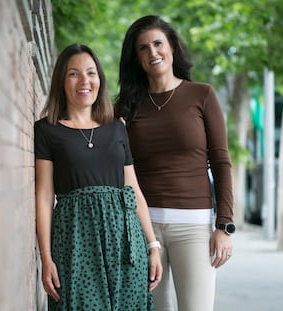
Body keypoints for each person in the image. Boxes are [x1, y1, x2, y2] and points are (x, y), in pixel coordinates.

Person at [114, 15, 234, 311]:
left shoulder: (202, 95)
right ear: (136, 58)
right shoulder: (126, 107)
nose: (152, 52)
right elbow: (116, 168)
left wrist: (225, 226)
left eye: (158, 44)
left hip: (194, 227)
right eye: (143, 48)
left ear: (172, 48)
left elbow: (220, 161)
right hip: (143, 228)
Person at [34, 43, 163, 310]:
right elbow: (45, 196)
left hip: (125, 241)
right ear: (61, 81)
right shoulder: (47, 131)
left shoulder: (117, 128)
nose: (84, 81)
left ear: (99, 80)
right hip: (74, 239)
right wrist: (46, 256)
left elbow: (134, 190)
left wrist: (152, 245)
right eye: (74, 74)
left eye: (91, 73)